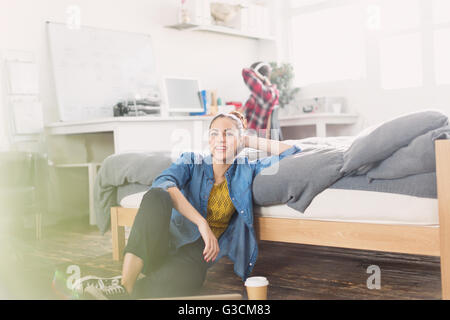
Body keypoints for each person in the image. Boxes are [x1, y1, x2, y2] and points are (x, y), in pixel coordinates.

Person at [73, 111, 301, 300]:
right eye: (214, 134)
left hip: (197, 254)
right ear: (208, 140)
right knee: (156, 196)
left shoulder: (247, 169)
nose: (220, 139)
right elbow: (163, 182)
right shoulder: (192, 161)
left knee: (186, 283)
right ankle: (125, 285)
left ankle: (118, 290)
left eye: (228, 134)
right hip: (163, 243)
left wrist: (249, 139)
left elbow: (292, 152)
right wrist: (201, 223)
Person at [241, 62, 282, 140]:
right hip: (255, 135)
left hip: (255, 137)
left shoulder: (266, 94)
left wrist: (261, 77)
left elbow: (245, 71)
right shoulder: (271, 92)